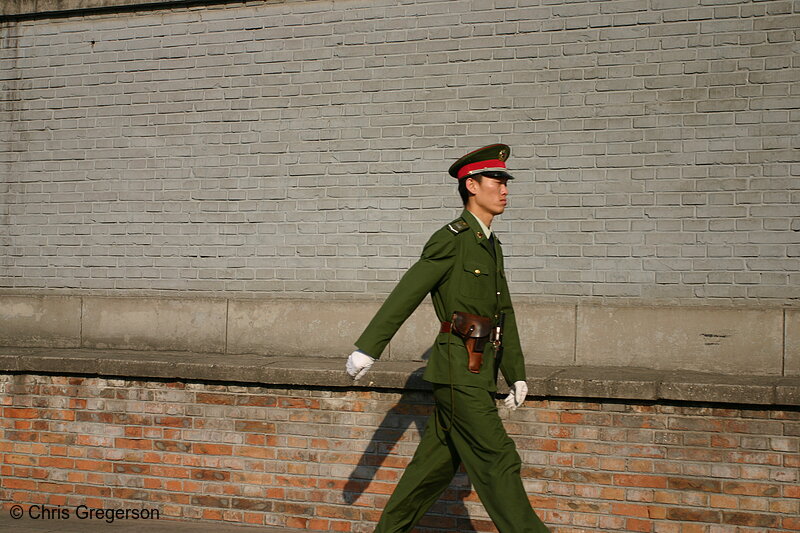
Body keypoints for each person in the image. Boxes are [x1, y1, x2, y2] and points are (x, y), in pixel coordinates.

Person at [345, 144, 550, 533]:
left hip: (477, 368)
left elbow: (502, 312)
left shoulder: (491, 244)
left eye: (507, 182)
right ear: (471, 185)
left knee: (431, 470)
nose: (505, 189)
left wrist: (516, 372)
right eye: (497, 180)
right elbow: (408, 291)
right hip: (458, 368)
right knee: (499, 457)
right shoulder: (451, 239)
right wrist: (368, 348)